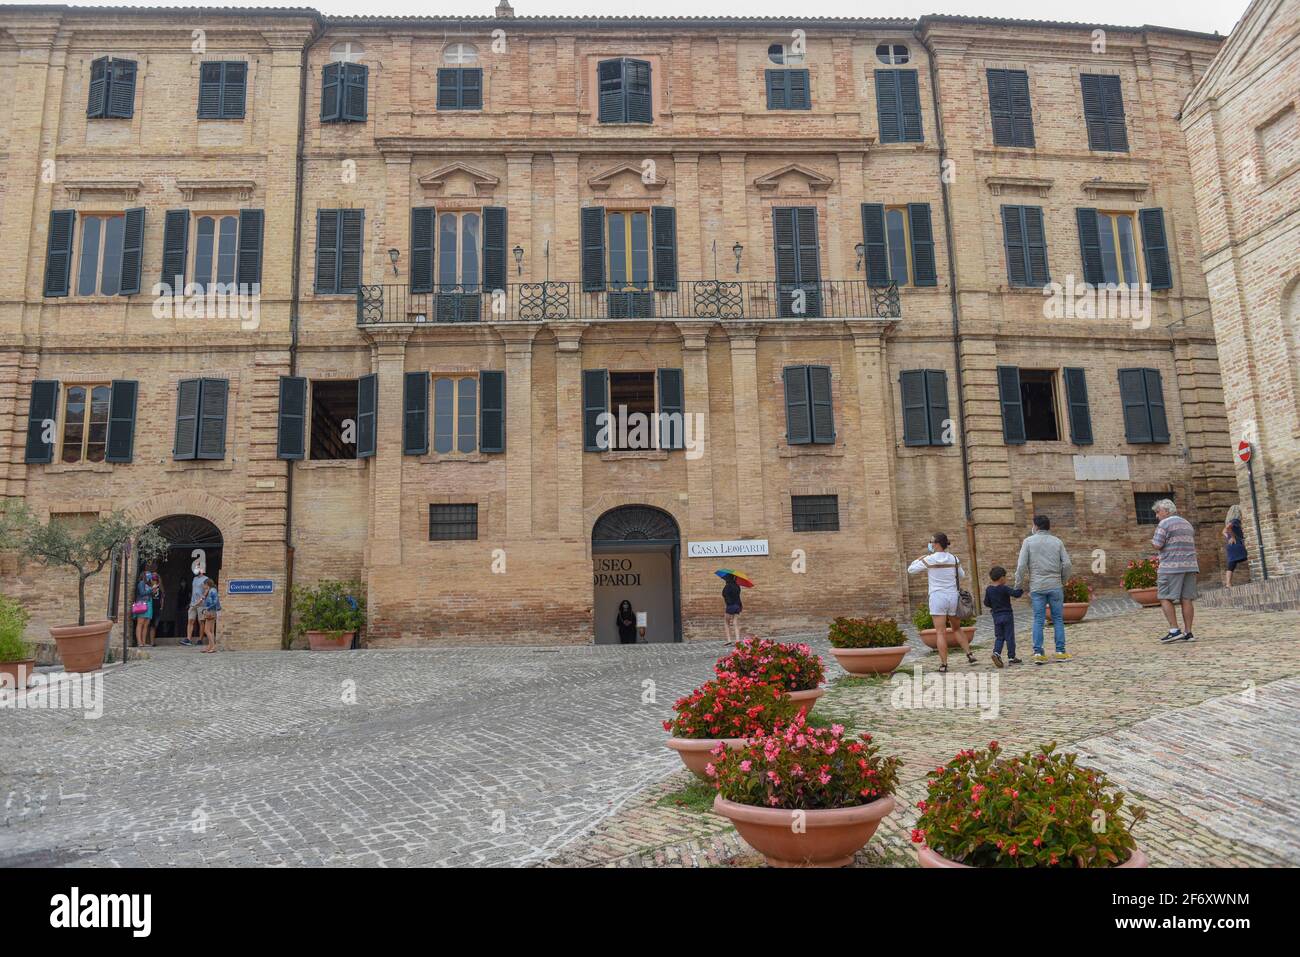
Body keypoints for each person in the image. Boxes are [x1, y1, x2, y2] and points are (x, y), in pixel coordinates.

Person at [908, 532, 976, 673]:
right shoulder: (954, 559)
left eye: (931, 541)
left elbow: (911, 570)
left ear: (937, 543)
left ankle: (944, 664)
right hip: (952, 596)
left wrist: (920, 558)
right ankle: (969, 654)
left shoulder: (930, 559)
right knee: (956, 628)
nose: (930, 543)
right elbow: (962, 575)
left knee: (940, 632)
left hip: (937, 596)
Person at [1014, 514, 1073, 664]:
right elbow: (1067, 564)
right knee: (1058, 619)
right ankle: (1060, 651)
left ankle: (1038, 653)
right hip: (1055, 584)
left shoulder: (1028, 542)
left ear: (1036, 526)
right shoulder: (1057, 542)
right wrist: (1063, 580)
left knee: (1038, 619)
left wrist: (1018, 585)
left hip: (1037, 585)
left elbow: (1021, 566)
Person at [1153, 499, 1199, 643]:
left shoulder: (1164, 524)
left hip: (1171, 567)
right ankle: (1188, 632)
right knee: (1186, 599)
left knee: (1164, 596)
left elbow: (1157, 544)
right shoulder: (1187, 523)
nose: (1156, 515)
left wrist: (1152, 541)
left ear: (1166, 511)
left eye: (1157, 512)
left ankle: (1174, 630)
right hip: (1190, 565)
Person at [983, 565, 1024, 668]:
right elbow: (1015, 594)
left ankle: (996, 653)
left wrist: (994, 605)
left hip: (996, 616)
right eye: (1005, 577)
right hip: (1007, 615)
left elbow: (986, 603)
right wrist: (1021, 589)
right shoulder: (1004, 588)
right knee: (1009, 636)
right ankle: (1011, 657)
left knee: (999, 637)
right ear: (1002, 578)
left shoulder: (989, 590)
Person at [1222, 504, 1248, 588]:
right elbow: (1227, 528)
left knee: (1231, 564)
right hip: (1236, 544)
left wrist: (1228, 537)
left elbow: (1223, 531)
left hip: (1231, 546)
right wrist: (1233, 537)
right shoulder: (1235, 520)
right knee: (1251, 556)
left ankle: (1228, 583)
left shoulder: (1229, 520)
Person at [183, 568, 207, 646]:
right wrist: (191, 602)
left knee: (201, 621)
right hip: (193, 603)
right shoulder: (194, 578)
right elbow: (194, 590)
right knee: (190, 620)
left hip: (201, 603)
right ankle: (188, 639)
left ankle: (200, 639)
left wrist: (202, 599)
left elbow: (207, 590)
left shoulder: (205, 579)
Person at [199, 578, 221, 653]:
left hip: (211, 611)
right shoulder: (210, 590)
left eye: (204, 584)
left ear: (207, 584)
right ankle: (210, 646)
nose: (203, 586)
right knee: (210, 630)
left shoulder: (212, 591)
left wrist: (206, 609)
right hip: (212, 611)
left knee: (207, 630)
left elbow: (214, 602)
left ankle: (213, 646)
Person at [132, 570, 154, 647]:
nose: (150, 577)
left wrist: (153, 590)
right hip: (142, 604)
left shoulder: (148, 584)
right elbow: (142, 593)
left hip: (149, 604)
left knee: (146, 624)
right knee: (140, 623)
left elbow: (148, 593)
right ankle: (139, 642)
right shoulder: (141, 583)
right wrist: (151, 590)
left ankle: (144, 642)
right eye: (148, 575)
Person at [722, 574, 742, 643]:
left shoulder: (727, 587)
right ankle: (737, 640)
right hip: (738, 606)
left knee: (726, 622)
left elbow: (724, 595)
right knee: (735, 623)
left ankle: (729, 640)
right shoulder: (737, 586)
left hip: (730, 606)